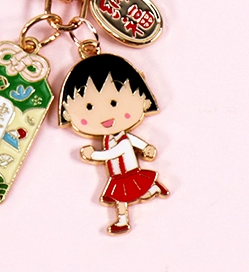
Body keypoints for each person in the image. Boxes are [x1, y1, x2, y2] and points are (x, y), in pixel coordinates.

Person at [59, 53, 169, 234]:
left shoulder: (122, 142)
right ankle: (146, 196)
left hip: (128, 173)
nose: (105, 116)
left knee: (123, 198)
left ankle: (124, 218)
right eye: (89, 107)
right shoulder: (109, 139)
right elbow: (128, 144)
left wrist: (94, 155)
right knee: (123, 198)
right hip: (118, 176)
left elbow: (114, 152)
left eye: (113, 103)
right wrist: (144, 147)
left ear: (143, 99)